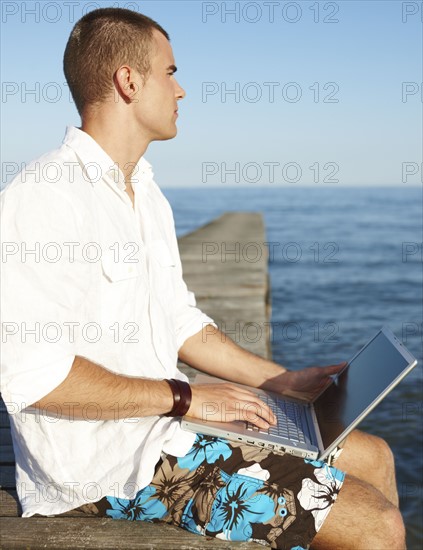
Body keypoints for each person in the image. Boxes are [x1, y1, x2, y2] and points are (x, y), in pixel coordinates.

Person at [0, 7, 405, 549]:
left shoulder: (143, 191)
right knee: (376, 526)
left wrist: (276, 381)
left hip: (165, 426)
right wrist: (187, 397)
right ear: (128, 80)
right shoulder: (44, 198)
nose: (181, 90)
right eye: (169, 73)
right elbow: (34, 376)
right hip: (107, 467)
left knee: (375, 456)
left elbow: (178, 321)